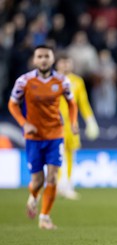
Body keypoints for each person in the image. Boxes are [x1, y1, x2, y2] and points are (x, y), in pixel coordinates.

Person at [8, 45, 78, 229]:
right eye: (40, 56)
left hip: (55, 135)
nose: (44, 59)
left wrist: (73, 122)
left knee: (53, 178)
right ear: (35, 60)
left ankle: (44, 217)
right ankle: (33, 196)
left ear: (52, 59)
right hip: (34, 137)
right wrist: (24, 124)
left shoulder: (62, 81)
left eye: (47, 56)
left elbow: (72, 104)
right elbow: (13, 104)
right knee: (37, 180)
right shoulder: (24, 81)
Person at [56, 54, 99, 200]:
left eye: (68, 62)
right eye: (63, 62)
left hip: (72, 125)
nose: (66, 65)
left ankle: (67, 186)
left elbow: (83, 103)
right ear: (57, 65)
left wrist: (90, 121)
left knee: (70, 155)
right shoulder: (51, 81)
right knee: (57, 156)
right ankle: (57, 185)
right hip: (55, 125)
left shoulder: (77, 81)